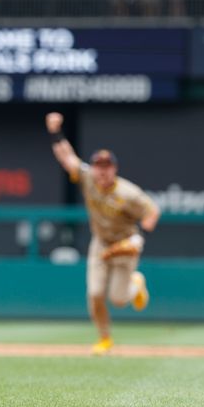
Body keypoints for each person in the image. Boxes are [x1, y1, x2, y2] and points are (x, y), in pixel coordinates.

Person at [45, 112, 160, 355]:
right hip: (100, 243)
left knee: (118, 299)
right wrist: (55, 132)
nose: (102, 171)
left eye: (107, 167)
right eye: (99, 166)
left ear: (114, 169)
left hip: (124, 246)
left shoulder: (128, 193)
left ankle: (136, 284)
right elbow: (67, 158)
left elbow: (152, 211)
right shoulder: (87, 178)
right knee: (95, 294)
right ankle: (105, 338)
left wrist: (139, 238)